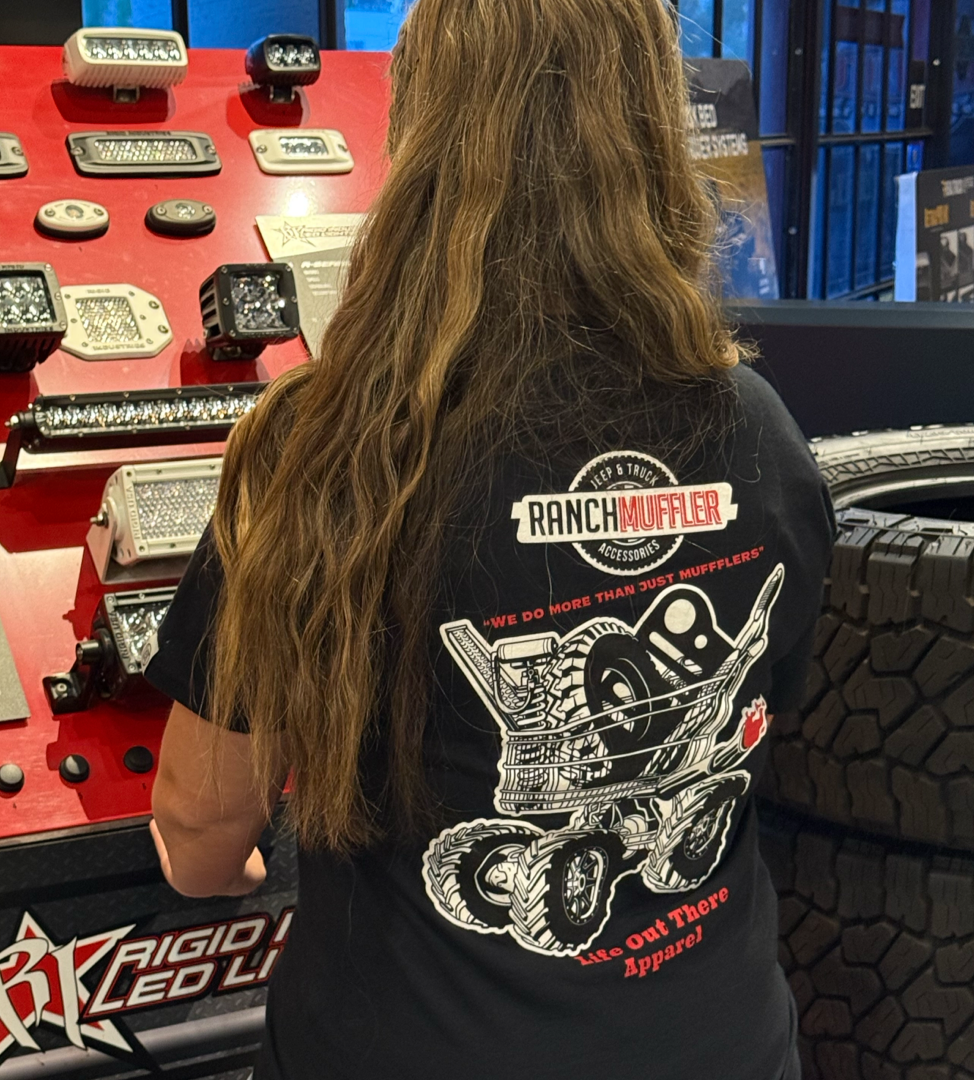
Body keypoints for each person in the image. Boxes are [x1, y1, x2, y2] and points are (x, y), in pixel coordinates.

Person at [145, 0, 835, 1076]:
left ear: (415, 126)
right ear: (653, 123)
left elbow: (198, 826)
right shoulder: (759, 429)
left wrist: (232, 873)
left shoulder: (328, 447)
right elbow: (761, 727)